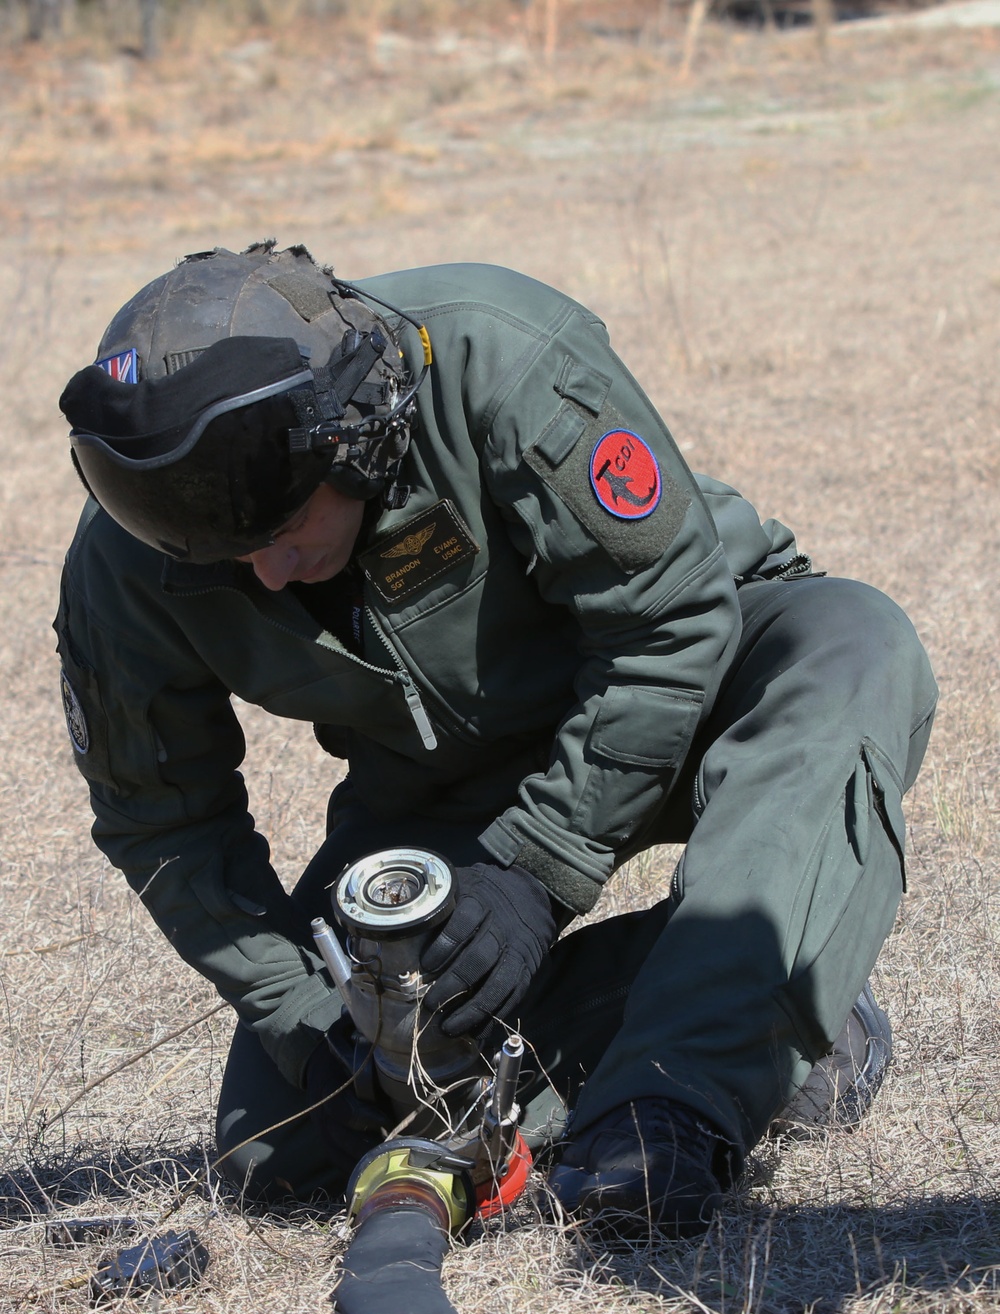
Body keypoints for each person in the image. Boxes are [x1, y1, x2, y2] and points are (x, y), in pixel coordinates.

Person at [55, 243, 937, 1234]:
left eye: (285, 524)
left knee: (857, 646)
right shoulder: (135, 554)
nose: (264, 573)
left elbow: (668, 626)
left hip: (690, 677)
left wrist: (536, 871)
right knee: (288, 1142)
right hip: (444, 786)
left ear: (354, 431)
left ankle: (673, 1097)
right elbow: (162, 821)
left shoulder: (491, 352)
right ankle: (776, 1008)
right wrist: (317, 1028)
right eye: (225, 548)